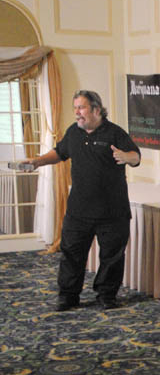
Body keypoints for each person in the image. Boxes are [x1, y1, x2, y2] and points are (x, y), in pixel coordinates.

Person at [23, 90, 141, 311]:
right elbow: (60, 152)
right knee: (71, 255)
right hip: (79, 210)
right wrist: (38, 161)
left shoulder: (115, 133)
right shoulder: (74, 133)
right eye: (75, 108)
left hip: (112, 211)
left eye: (81, 108)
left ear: (96, 110)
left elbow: (136, 155)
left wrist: (127, 158)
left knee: (112, 257)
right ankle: (68, 296)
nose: (77, 112)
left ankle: (106, 295)